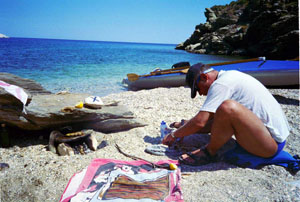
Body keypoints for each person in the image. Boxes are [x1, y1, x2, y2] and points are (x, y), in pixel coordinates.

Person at [162, 63, 290, 166]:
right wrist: (184, 127)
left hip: (268, 146)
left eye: (198, 89)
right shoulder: (230, 76)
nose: (200, 94)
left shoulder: (221, 84)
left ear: (204, 77)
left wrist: (174, 135)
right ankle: (204, 143)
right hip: (271, 137)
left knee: (227, 108)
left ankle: (209, 152)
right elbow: (212, 121)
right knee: (221, 112)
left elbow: (200, 121)